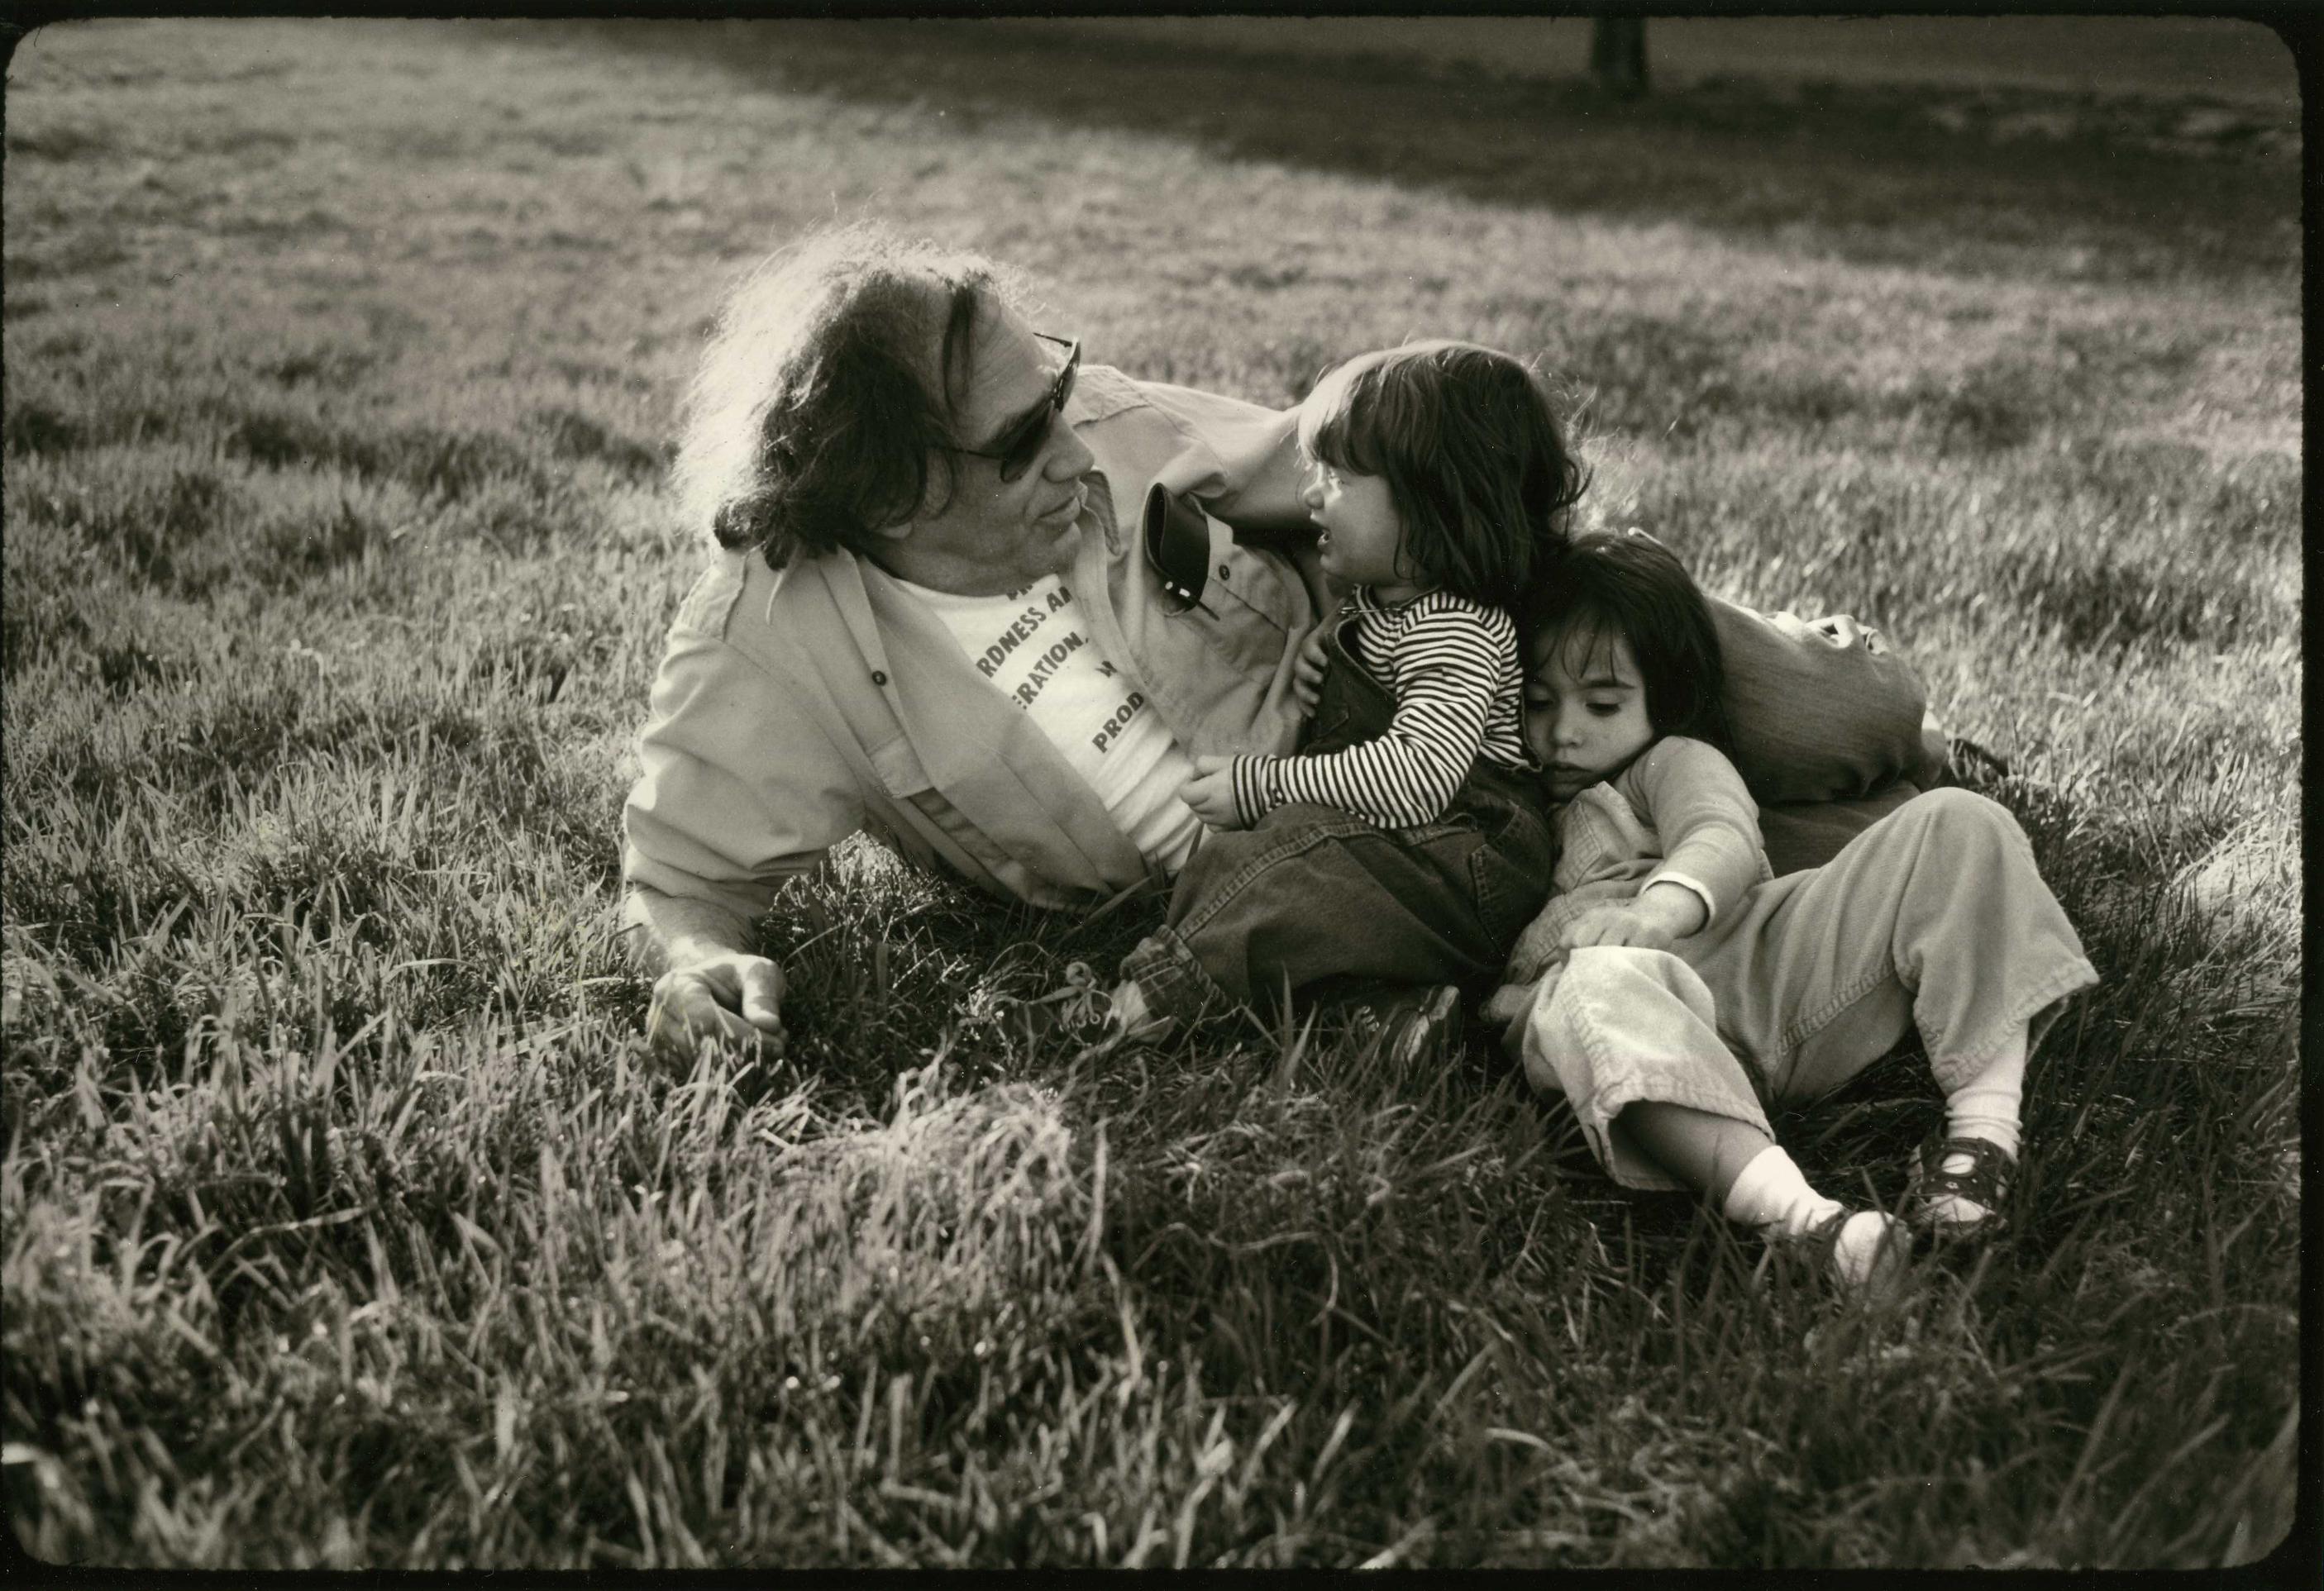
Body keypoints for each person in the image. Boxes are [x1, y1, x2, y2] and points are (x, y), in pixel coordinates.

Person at [621, 221, 1948, 1061]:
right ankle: (1939, 835)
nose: (1078, 447)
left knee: (1831, 721)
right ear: (895, 489)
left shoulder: (1120, 434)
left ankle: (1927, 741)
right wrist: (697, 961)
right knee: (1761, 867)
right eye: (1024, 439)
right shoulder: (769, 640)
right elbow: (681, 876)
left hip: (1437, 646)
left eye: (1062, 392)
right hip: (1344, 845)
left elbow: (1325, 467)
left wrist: (1546, 586)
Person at [1482, 530, 2099, 1289]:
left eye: (1602, 702)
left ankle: (1983, 1138)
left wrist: (1656, 913)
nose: (1563, 730)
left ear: (1666, 701)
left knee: (1961, 823)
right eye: (1537, 702)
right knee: (1584, 990)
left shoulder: (1666, 761)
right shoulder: (1507, 783)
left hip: (1766, 969)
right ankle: (1814, 1226)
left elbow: (1721, 835)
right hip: (1643, 1028)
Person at [1092, 342, 1575, 1045]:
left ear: (1434, 500)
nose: (1311, 494)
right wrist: (1334, 649)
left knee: (1283, 871)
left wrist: (1262, 784)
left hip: (1465, 858)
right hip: (1419, 861)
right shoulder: (1387, 608)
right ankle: (1384, 1020)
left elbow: (1415, 779)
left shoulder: (1457, 627)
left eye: (1340, 478)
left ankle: (1148, 999)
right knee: (1264, 869)